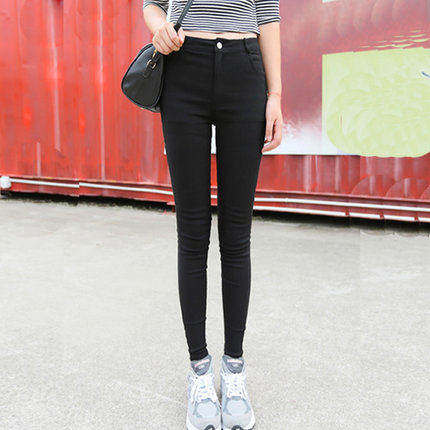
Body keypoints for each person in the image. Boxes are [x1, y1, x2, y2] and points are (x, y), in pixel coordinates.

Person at [142, 1, 283, 429]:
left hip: (245, 70)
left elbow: (267, 13)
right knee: (192, 232)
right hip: (184, 68)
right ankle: (200, 371)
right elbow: (152, 4)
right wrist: (159, 26)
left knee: (237, 233)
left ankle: (234, 369)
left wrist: (275, 95)